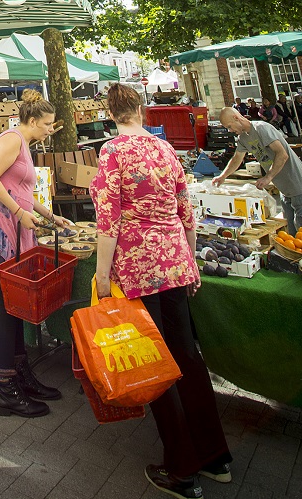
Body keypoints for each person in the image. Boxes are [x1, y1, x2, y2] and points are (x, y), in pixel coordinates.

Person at [91, 83, 231, 499]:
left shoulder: (112, 152)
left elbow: (108, 220)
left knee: (155, 362)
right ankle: (215, 457)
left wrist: (101, 275)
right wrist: (188, 262)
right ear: (141, 108)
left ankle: (183, 470)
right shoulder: (165, 150)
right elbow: (186, 211)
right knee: (187, 355)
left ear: (111, 113)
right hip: (174, 261)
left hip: (138, 269)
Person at [0, 90, 74, 418]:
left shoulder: (24, 143)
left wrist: (49, 215)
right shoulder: (12, 139)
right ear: (31, 121)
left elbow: (23, 189)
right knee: (8, 308)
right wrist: (17, 212)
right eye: (46, 125)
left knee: (14, 307)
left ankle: (21, 377)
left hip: (12, 225)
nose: (49, 130)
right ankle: (6, 391)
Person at [214, 105, 302, 236]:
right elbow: (237, 158)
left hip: (297, 184)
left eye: (229, 126)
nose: (230, 130)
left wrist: (268, 177)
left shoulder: (261, 129)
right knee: (291, 231)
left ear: (236, 118)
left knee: (299, 228)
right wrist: (223, 176)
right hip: (284, 189)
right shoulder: (243, 138)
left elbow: (282, 155)